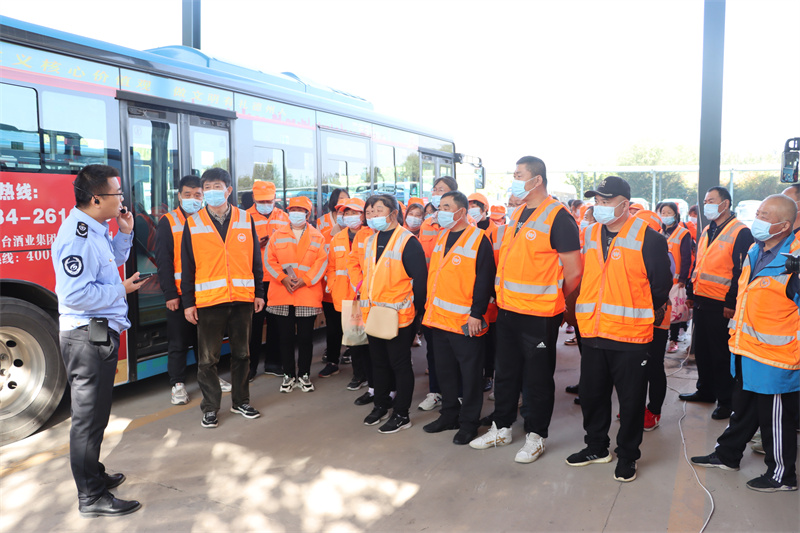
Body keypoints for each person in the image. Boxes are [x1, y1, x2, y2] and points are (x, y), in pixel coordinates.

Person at [470, 156, 583, 465]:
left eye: (519, 175)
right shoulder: (518, 212)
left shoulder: (558, 217)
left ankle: (536, 435)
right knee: (506, 372)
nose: (514, 180)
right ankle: (502, 427)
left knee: (537, 378)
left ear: (537, 180)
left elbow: (574, 271)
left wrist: (553, 298)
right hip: (508, 310)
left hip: (540, 315)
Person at [566, 176, 672, 482]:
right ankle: (596, 447)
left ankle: (627, 455)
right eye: (597, 201)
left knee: (631, 400)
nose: (599, 206)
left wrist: (636, 310)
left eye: (606, 201)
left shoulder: (649, 238)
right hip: (593, 331)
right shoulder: (589, 232)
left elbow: (660, 287)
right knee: (592, 394)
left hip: (630, 335)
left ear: (625, 204)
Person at [691, 194, 799, 492]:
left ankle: (782, 475)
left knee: (775, 419)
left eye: (765, 215)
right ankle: (728, 455)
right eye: (758, 213)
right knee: (744, 409)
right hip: (746, 349)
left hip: (776, 358)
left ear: (784, 225)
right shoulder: (755, 249)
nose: (757, 219)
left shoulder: (795, 261)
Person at [52, 164, 142, 517]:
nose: (122, 199)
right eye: (117, 194)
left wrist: (125, 233)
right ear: (96, 198)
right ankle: (90, 497)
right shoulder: (77, 236)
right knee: (87, 419)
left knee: (98, 414)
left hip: (98, 331)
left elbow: (111, 261)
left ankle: (95, 474)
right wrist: (121, 289)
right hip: (86, 335)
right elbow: (75, 295)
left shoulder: (95, 228)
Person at [181, 168, 265, 428]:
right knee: (208, 360)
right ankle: (210, 408)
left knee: (242, 355)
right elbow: (187, 266)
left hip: (242, 299)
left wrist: (259, 293)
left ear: (228, 190)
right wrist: (188, 303)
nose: (210, 192)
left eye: (216, 187)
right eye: (206, 188)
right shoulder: (193, 223)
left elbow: (255, 259)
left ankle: (241, 402)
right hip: (209, 301)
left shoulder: (245, 219)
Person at [422, 191, 496, 444]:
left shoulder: (478, 239)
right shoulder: (443, 236)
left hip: (466, 322)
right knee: (445, 372)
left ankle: (468, 423)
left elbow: (484, 279)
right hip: (440, 319)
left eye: (446, 207)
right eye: (440, 207)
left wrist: (477, 313)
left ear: (461, 211)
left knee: (471, 375)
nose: (440, 211)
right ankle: (449, 415)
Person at [680, 186, 754, 420]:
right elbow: (699, 264)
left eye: (711, 200)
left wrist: (731, 302)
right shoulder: (707, 230)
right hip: (702, 299)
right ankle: (705, 391)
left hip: (722, 303)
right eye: (705, 201)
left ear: (726, 203)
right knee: (702, 349)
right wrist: (691, 293)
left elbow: (741, 271)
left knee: (720, 353)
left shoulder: (741, 232)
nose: (707, 205)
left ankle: (726, 400)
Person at [360, 194, 428, 433]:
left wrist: (416, 317)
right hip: (374, 315)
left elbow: (421, 283)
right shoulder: (371, 240)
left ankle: (401, 414)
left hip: (399, 317)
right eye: (369, 212)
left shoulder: (407, 241)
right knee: (378, 363)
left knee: (400, 365)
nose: (373, 215)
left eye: (379, 210)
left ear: (393, 213)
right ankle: (381, 405)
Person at [264, 196, 328, 393]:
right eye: (293, 209)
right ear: (288, 212)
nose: (296, 213)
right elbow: (269, 261)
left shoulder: (317, 237)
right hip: (282, 293)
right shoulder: (277, 235)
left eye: (301, 210)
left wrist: (305, 280)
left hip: (307, 293)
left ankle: (304, 374)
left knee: (305, 339)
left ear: (308, 214)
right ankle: (288, 375)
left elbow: (322, 263)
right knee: (285, 338)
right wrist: (283, 278)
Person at [155, 175, 202, 405]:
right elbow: (163, 261)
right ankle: (178, 384)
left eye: (197, 195)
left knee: (205, 341)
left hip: (205, 294)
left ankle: (208, 378)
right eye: (188, 194)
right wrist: (170, 294)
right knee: (178, 342)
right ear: (179, 196)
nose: (193, 199)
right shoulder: (168, 221)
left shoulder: (207, 219)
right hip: (180, 295)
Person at [417, 176, 460, 411]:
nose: (435, 193)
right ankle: (435, 392)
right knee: (433, 349)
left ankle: (458, 395)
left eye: (441, 190)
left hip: (454, 298)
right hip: (430, 297)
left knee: (455, 351)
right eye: (434, 189)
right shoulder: (427, 224)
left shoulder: (465, 225)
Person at [634, 210, 674, 432]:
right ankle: (637, 407)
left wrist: (649, 309)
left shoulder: (659, 250)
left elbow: (661, 286)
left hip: (657, 317)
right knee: (636, 366)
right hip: (635, 317)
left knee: (653, 365)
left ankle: (654, 410)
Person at [327, 197, 372, 389]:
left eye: (354, 212)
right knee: (353, 340)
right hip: (345, 297)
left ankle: (372, 377)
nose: (350, 216)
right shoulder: (337, 238)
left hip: (367, 295)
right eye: (347, 213)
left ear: (363, 215)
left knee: (369, 339)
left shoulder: (371, 234)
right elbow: (331, 267)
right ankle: (359, 375)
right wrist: (332, 284)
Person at [246, 180, 289, 381]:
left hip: (278, 278)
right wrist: (257, 244)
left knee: (276, 323)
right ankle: (250, 366)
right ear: (254, 199)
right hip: (254, 279)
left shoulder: (284, 217)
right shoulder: (244, 217)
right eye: (261, 201)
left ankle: (273, 363)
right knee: (253, 326)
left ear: (275, 199)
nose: (265, 204)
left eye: (268, 200)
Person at [468, 192, 499, 392]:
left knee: (490, 339)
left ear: (484, 209)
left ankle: (488, 374)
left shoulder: (496, 232)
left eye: (475, 206)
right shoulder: (468, 231)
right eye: (469, 206)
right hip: (471, 293)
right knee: (473, 336)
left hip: (492, 294)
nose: (471, 210)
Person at [319, 198, 350, 377]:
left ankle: (359, 370)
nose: (344, 216)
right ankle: (332, 361)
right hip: (331, 292)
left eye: (348, 213)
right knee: (333, 328)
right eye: (341, 213)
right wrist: (331, 285)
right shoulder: (325, 234)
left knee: (355, 328)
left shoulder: (364, 235)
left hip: (354, 294)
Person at [658, 202, 692, 354]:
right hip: (661, 280)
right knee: (663, 311)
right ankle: (663, 338)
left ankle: (673, 339)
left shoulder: (683, 233)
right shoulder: (659, 232)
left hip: (676, 280)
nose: (665, 216)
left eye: (669, 212)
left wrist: (683, 279)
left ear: (676, 215)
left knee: (675, 311)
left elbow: (686, 257)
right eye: (663, 213)